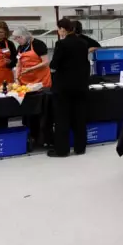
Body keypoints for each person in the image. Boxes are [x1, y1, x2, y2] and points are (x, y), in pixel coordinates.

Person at [48, 18, 90, 157]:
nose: (59, 31)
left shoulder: (61, 44)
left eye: (59, 29)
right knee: (79, 117)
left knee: (62, 118)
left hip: (64, 87)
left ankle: (62, 149)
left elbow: (54, 65)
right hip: (81, 86)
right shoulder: (83, 43)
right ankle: (80, 147)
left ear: (63, 29)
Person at [12, 26, 51, 144]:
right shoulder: (20, 47)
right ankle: (31, 135)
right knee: (29, 111)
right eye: (15, 39)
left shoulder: (39, 44)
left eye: (18, 38)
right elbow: (18, 64)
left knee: (42, 111)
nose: (17, 41)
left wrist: (31, 69)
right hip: (26, 83)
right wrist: (16, 78)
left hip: (41, 81)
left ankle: (43, 137)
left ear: (25, 36)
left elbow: (46, 62)